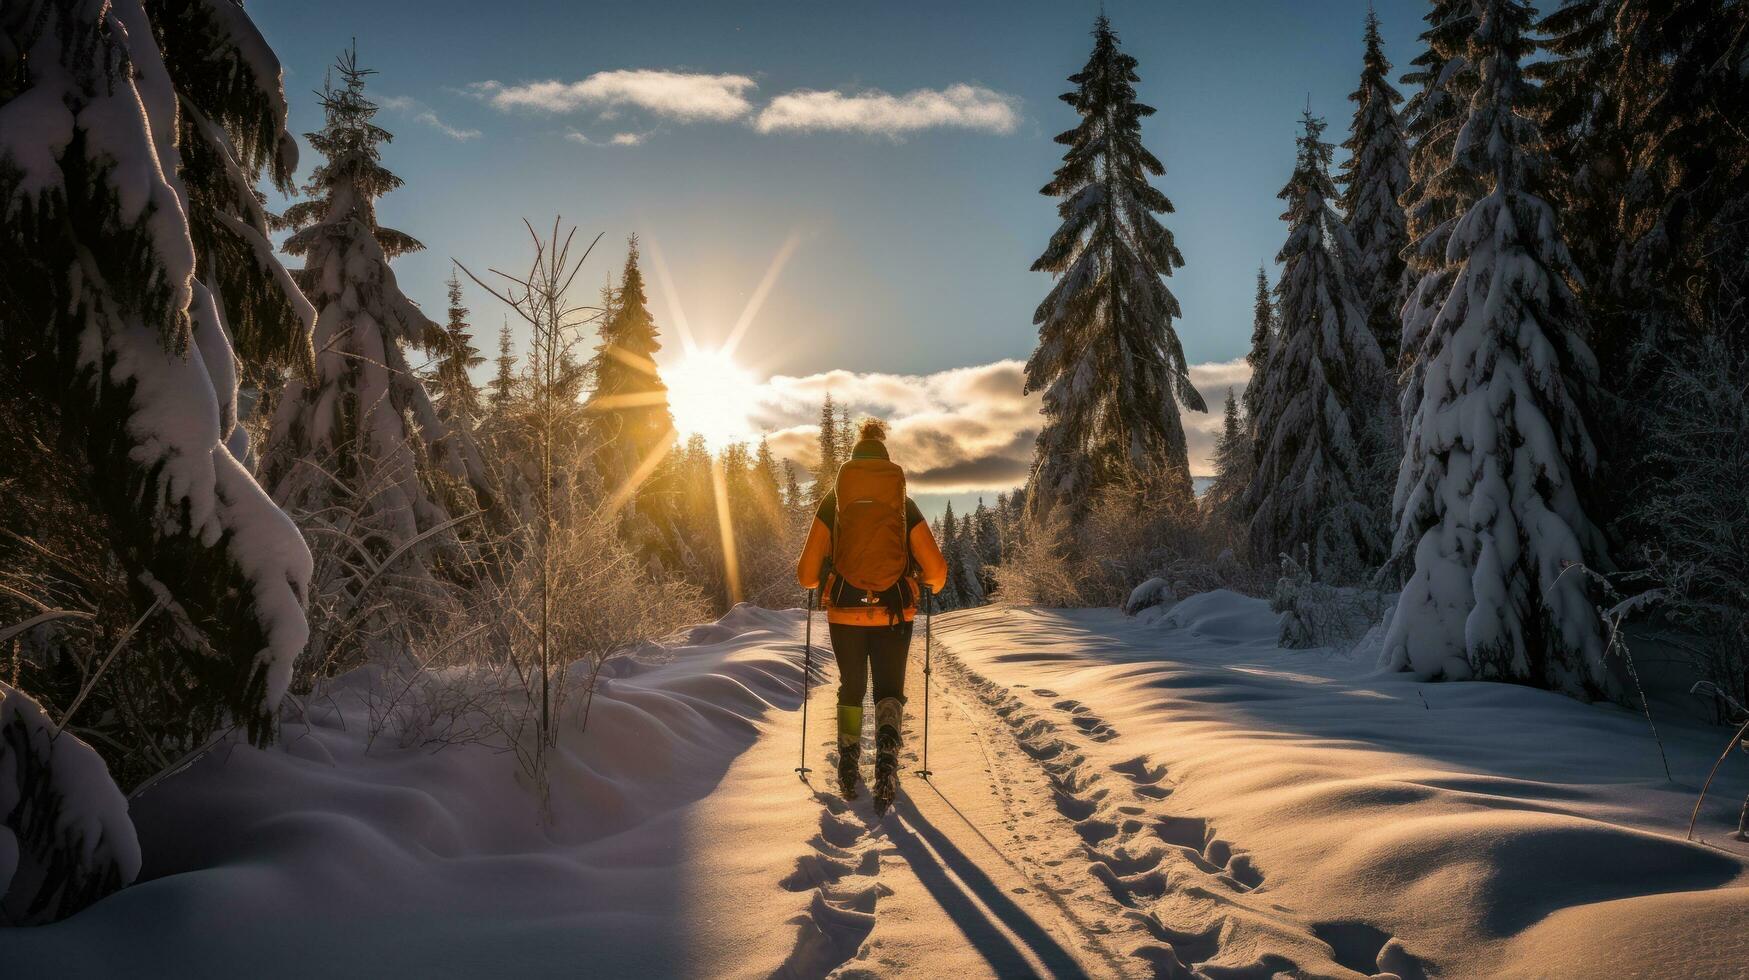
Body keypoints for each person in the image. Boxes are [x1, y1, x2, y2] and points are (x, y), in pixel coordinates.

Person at [796, 418, 947, 813]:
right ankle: (886, 762)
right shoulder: (902, 505)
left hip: (845, 611)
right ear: (885, 457)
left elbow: (806, 576)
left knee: (851, 688)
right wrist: (922, 580)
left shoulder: (834, 502)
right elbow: (937, 572)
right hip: (895, 611)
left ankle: (848, 763)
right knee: (889, 689)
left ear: (853, 459)